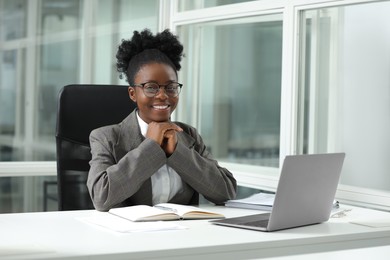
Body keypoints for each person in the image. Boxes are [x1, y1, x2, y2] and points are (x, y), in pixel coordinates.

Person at [87, 29, 237, 211]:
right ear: (133, 93)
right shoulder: (106, 138)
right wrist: (150, 147)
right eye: (151, 88)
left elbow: (225, 191)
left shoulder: (189, 135)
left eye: (171, 87)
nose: (163, 95)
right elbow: (102, 197)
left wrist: (176, 151)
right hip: (130, 237)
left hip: (184, 235)